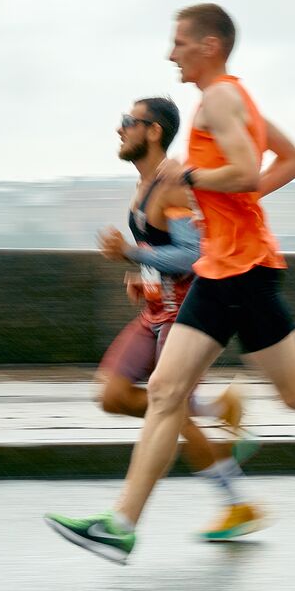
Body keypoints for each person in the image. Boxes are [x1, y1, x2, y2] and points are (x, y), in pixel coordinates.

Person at [45, 3, 295, 564]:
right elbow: (291, 159)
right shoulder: (236, 97)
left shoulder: (218, 100)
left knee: (286, 390)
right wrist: (234, 206)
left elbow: (239, 169)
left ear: (209, 45)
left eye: (179, 43)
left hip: (238, 269)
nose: (171, 54)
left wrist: (190, 177)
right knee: (187, 392)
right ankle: (121, 525)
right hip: (229, 265)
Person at [95, 96, 264, 540]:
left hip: (183, 317)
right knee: (113, 395)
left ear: (152, 131)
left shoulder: (171, 185)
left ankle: (237, 504)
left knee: (167, 410)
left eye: (128, 122)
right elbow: (168, 252)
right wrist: (145, 276)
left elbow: (194, 253)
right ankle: (216, 408)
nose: (120, 129)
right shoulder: (145, 184)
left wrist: (131, 252)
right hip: (155, 311)